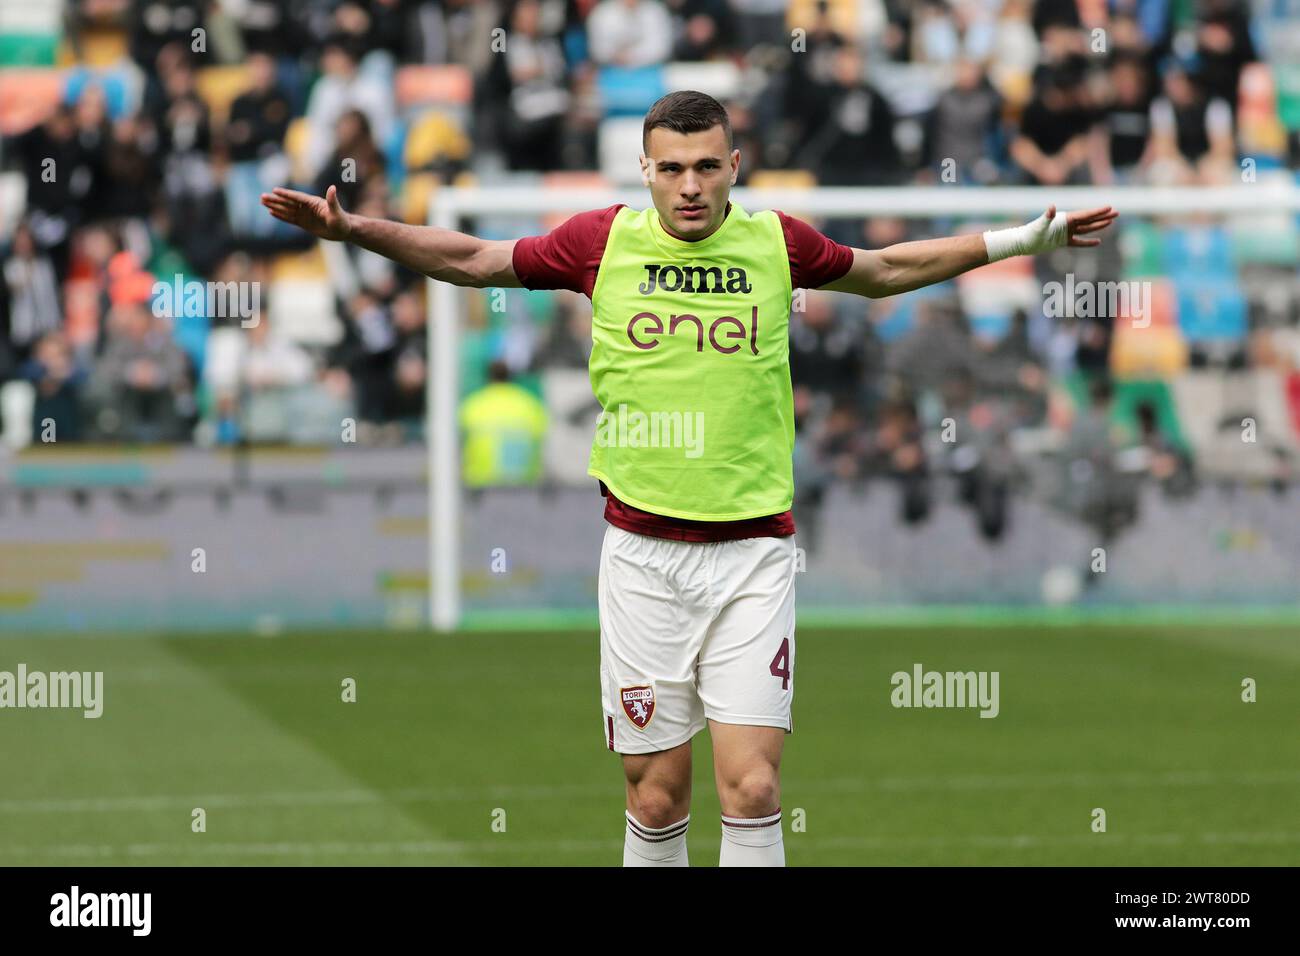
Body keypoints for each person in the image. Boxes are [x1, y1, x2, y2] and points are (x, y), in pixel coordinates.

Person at [262, 89, 1117, 867]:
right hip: (642, 561)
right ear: (645, 170)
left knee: (752, 791)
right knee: (656, 795)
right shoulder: (599, 241)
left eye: (708, 165)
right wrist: (356, 230)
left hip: (753, 557)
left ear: (734, 166)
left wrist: (1027, 237)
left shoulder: (777, 242)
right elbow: (477, 260)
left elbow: (886, 270)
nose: (690, 185)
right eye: (671, 168)